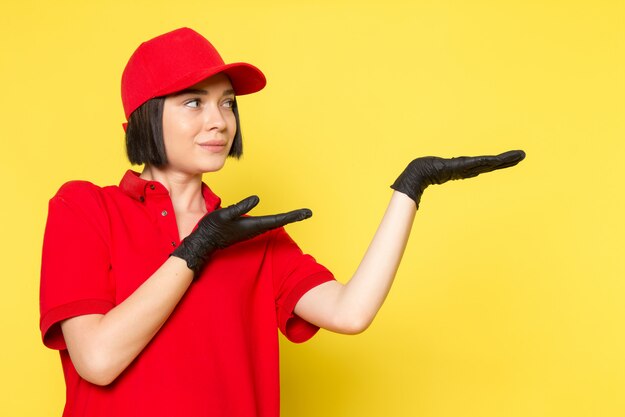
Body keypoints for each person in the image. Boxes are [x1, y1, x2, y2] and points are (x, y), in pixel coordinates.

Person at [39, 27, 525, 417]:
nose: (220, 121)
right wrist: (194, 251)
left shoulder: (252, 235)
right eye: (194, 102)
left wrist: (409, 189)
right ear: (144, 117)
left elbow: (349, 312)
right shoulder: (85, 209)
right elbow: (98, 361)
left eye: (227, 102)